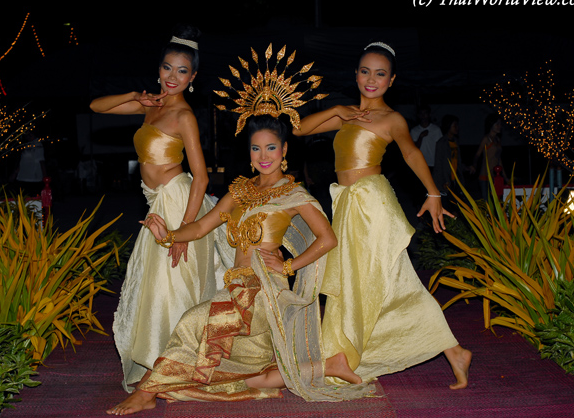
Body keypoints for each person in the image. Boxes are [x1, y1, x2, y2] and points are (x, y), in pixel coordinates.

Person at [105, 115, 373, 415]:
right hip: (235, 285)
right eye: (256, 149)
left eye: (271, 148)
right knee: (240, 378)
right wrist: (168, 236)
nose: (263, 156)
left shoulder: (294, 194)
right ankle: (326, 366)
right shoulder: (240, 191)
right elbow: (200, 227)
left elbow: (327, 238)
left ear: (284, 150)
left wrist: (289, 266)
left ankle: (146, 392)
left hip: (263, 292)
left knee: (193, 321)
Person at [293, 41, 472, 389]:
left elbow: (411, 154)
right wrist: (339, 110)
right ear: (356, 75)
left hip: (372, 205)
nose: (371, 79)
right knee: (361, 281)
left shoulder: (391, 118)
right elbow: (299, 128)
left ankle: (347, 354)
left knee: (389, 279)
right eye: (365, 71)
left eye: (380, 74)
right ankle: (451, 351)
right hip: (347, 204)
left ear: (391, 80)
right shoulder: (347, 115)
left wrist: (433, 193)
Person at [90, 25, 226, 392]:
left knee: (168, 288)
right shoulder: (151, 105)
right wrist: (137, 95)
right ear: (159, 68)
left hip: (176, 201)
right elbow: (95, 106)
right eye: (168, 67)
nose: (172, 77)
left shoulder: (184, 116)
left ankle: (161, 374)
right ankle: (164, 367)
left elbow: (200, 178)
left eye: (182, 71)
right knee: (155, 287)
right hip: (156, 204)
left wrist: (184, 231)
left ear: (193, 77)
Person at [433, 114, 473, 198]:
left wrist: (465, 168)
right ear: (448, 126)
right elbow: (439, 165)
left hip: (456, 179)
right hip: (447, 180)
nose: (457, 127)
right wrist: (442, 182)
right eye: (454, 125)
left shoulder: (455, 142)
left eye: (457, 125)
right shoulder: (442, 143)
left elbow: (456, 161)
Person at [471, 113, 508, 200]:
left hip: (496, 176)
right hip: (485, 176)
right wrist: (474, 165)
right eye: (497, 124)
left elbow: (499, 160)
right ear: (491, 125)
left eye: (500, 124)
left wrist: (505, 177)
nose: (500, 126)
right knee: (487, 202)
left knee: (497, 200)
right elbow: (477, 154)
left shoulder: (497, 140)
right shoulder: (486, 139)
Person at [410, 104, 443, 173]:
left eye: (425, 113)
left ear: (429, 114)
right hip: (420, 164)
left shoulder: (436, 130)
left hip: (434, 163)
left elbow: (441, 147)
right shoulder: (414, 131)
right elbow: (414, 149)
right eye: (421, 114)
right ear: (418, 115)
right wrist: (421, 137)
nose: (423, 116)